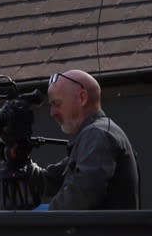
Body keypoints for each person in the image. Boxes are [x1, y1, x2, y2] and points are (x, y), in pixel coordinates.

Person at [34, 68, 139, 210]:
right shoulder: (97, 133)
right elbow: (51, 180)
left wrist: (41, 217)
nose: (52, 113)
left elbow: (81, 196)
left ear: (82, 98)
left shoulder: (97, 135)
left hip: (102, 232)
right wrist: (20, 161)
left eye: (57, 104)